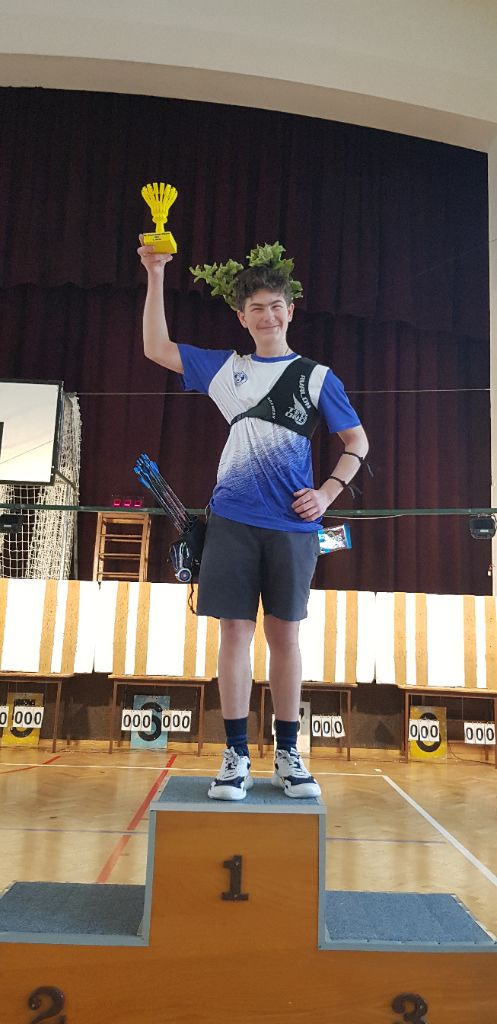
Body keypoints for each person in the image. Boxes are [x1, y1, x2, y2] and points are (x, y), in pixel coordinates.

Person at [138, 241, 368, 801]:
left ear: (291, 311)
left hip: (292, 529)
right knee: (235, 634)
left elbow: (357, 442)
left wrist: (327, 492)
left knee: (284, 635)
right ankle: (236, 755)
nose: (267, 315)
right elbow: (155, 348)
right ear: (242, 318)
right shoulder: (227, 370)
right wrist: (155, 273)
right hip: (232, 522)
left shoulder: (316, 377)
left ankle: (288, 754)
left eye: (276, 306)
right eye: (256, 308)